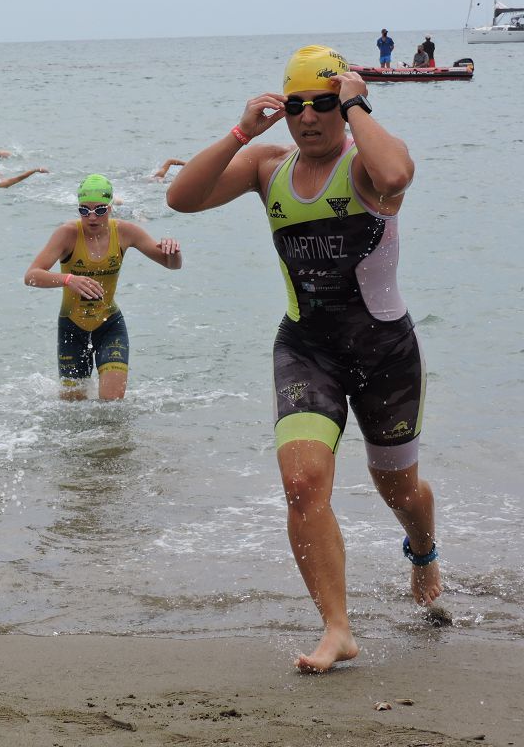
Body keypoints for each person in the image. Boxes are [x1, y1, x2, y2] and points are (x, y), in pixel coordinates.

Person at [165, 45, 440, 673]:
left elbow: (397, 176)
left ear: (341, 106)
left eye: (321, 104)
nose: (308, 118)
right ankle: (336, 627)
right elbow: (183, 199)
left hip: (384, 353)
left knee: (397, 486)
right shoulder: (266, 168)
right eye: (296, 105)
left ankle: (423, 550)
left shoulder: (366, 166)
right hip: (306, 350)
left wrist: (357, 101)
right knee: (301, 483)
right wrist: (241, 132)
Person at [24, 174, 181, 400]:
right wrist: (68, 279)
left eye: (99, 210)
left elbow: (171, 265)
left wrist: (174, 252)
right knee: (72, 411)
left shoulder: (126, 232)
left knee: (113, 406)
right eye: (84, 210)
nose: (91, 217)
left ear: (110, 207)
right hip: (72, 328)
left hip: (109, 325)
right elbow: (31, 276)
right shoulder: (67, 234)